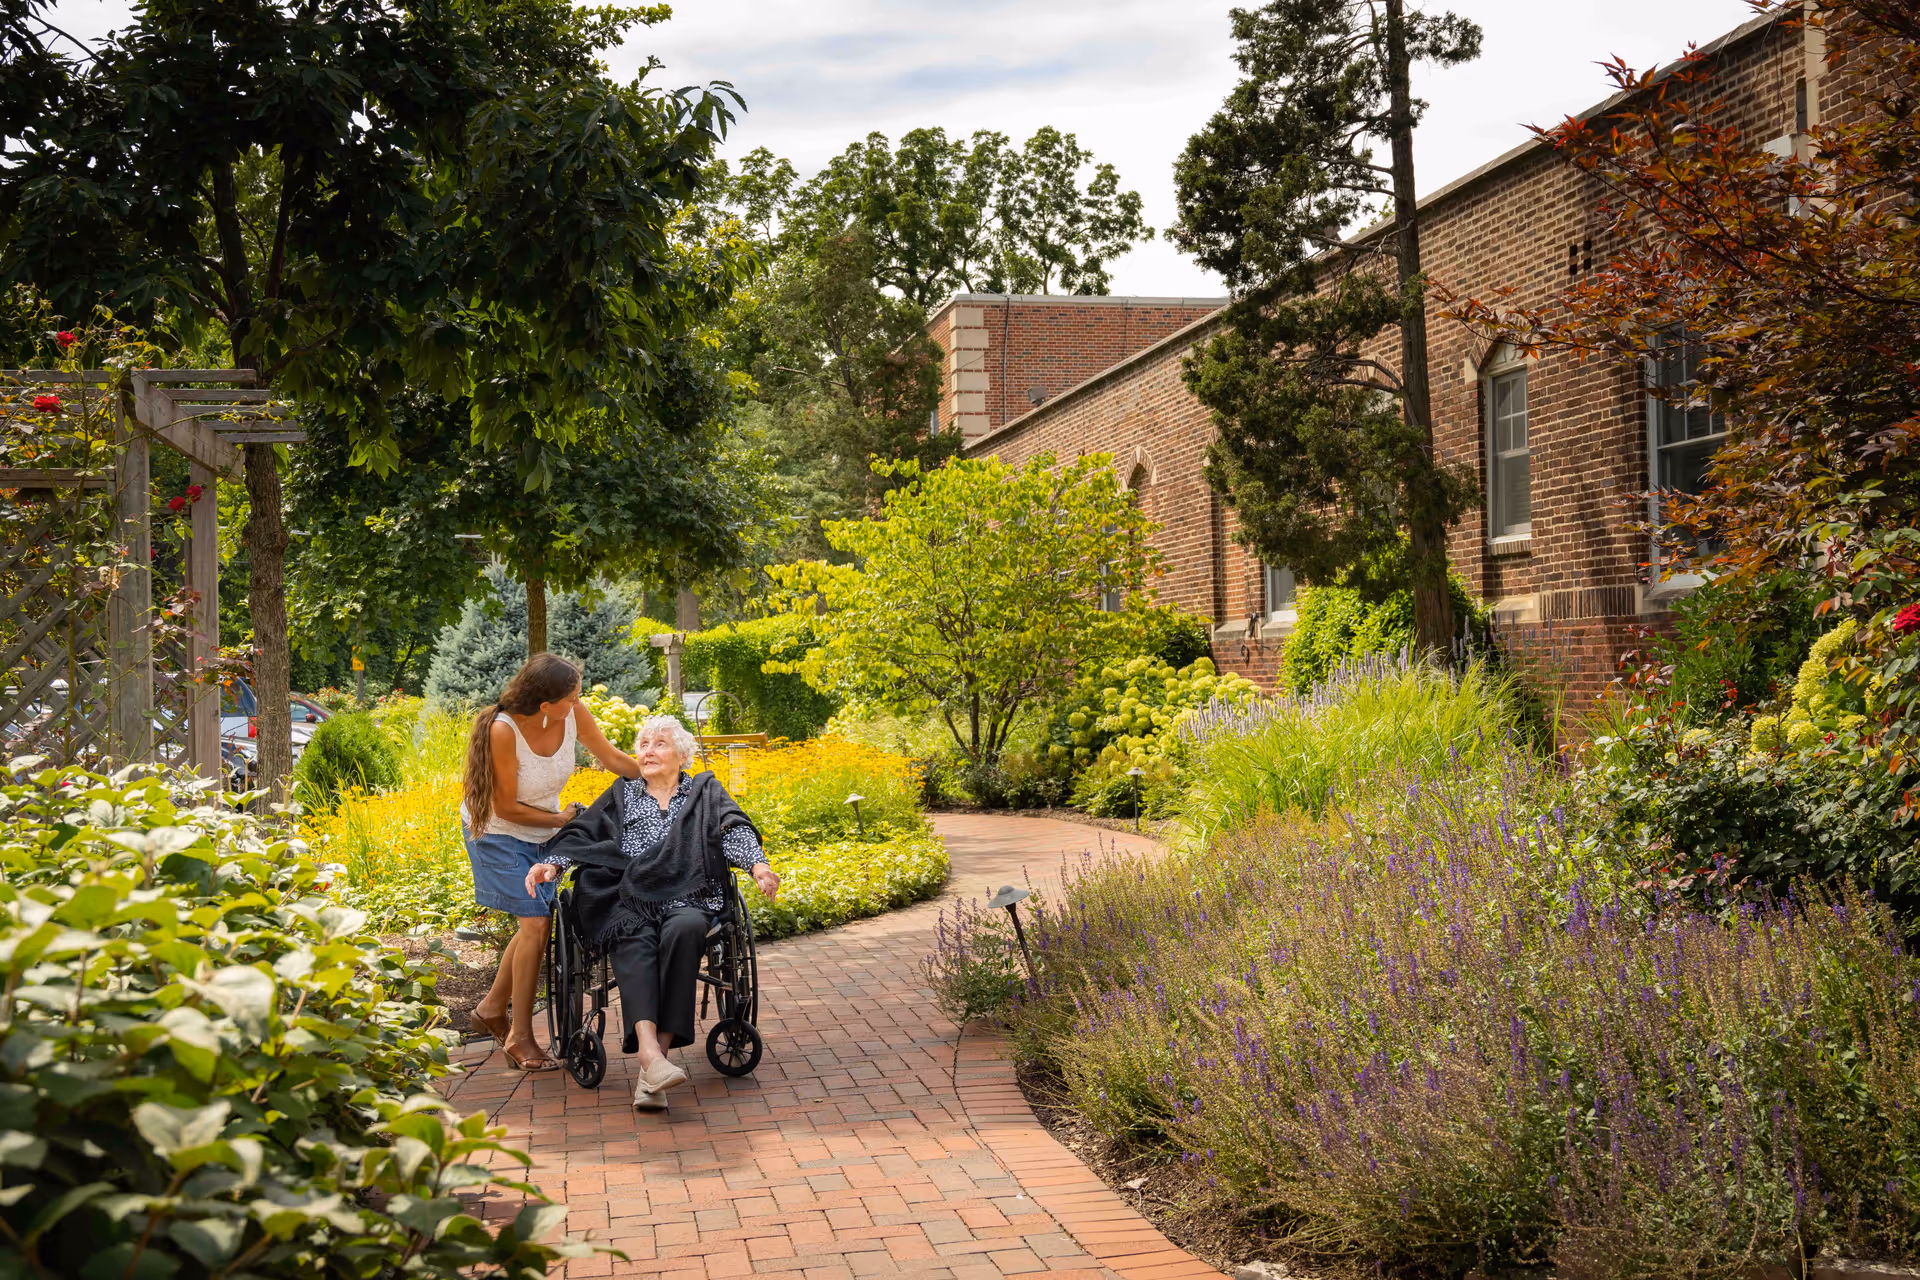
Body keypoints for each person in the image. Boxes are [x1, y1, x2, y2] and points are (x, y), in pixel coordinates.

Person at [528, 715, 779, 1112]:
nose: (647, 751)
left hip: (690, 896)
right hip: (627, 895)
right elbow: (584, 833)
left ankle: (653, 1064)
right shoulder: (622, 794)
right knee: (632, 935)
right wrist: (553, 865)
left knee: (687, 930)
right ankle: (651, 1056)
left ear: (682, 755)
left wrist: (757, 866)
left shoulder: (705, 792)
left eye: (659, 744)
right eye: (643, 744)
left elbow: (733, 830)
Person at [461, 653, 640, 1071]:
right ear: (545, 706)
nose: (578, 701)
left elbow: (610, 757)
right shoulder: (503, 731)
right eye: (572, 696)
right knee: (537, 923)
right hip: (497, 831)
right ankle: (519, 1037)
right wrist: (560, 819)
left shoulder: (573, 711)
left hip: (542, 829)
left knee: (535, 920)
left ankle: (490, 1008)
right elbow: (504, 807)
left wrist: (661, 777)